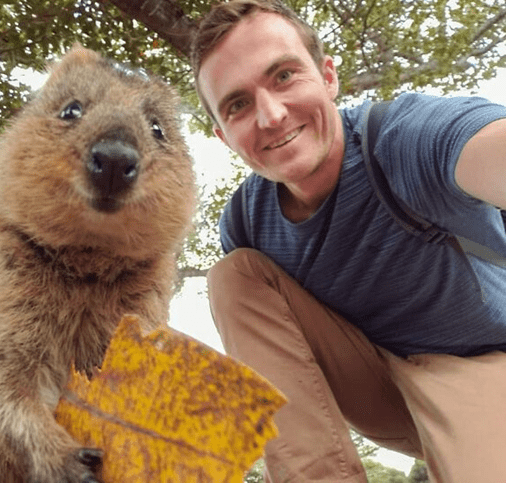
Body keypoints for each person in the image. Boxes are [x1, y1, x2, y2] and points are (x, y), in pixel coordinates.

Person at [190, 1, 506, 482]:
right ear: (221, 135)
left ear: (328, 76)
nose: (271, 116)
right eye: (238, 104)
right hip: (383, 392)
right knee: (234, 277)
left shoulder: (401, 139)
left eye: (283, 76)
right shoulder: (246, 224)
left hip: (481, 369)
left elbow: (486, 147)